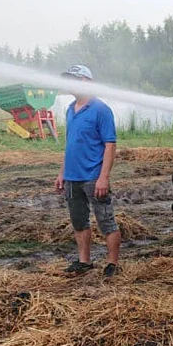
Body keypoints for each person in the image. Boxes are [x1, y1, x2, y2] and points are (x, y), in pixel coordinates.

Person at [53, 64, 121, 278]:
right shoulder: (71, 109)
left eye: (75, 79)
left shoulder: (101, 109)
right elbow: (70, 144)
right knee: (79, 221)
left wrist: (104, 177)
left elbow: (110, 145)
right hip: (73, 177)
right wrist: (62, 172)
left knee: (106, 221)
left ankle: (112, 263)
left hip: (93, 177)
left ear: (87, 82)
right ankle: (84, 261)